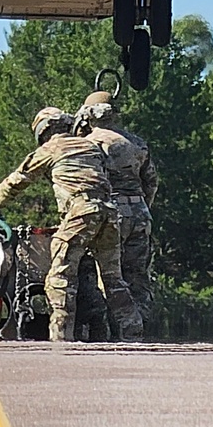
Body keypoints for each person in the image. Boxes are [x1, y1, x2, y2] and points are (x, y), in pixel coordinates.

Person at [0, 107, 142, 343]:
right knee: (113, 279)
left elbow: (19, 179)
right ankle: (133, 333)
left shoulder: (50, 149)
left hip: (81, 212)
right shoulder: (90, 146)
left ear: (43, 131)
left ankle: (61, 338)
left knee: (60, 278)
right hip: (109, 213)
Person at [74, 91, 157, 335]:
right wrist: (141, 208)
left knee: (105, 274)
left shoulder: (89, 144)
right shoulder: (137, 143)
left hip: (109, 213)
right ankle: (137, 330)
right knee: (138, 274)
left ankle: (108, 331)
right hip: (140, 212)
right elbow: (151, 182)